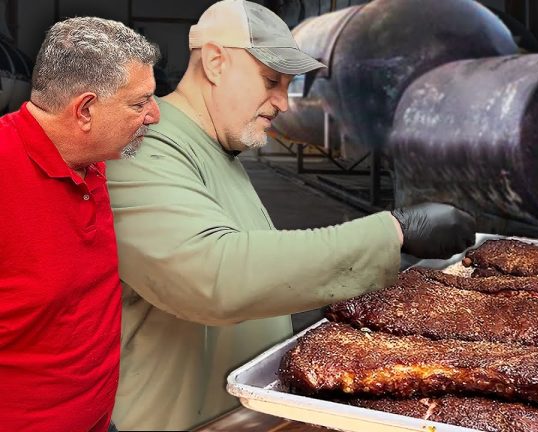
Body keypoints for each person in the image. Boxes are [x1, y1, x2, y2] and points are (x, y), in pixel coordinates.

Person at [105, 0, 476, 429]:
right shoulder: (143, 147)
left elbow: (267, 265)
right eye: (271, 81)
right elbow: (211, 275)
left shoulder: (218, 150)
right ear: (216, 62)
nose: (282, 102)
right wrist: (393, 232)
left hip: (245, 414)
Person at [0, 17, 160, 432]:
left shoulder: (89, 158)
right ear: (85, 110)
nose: (154, 116)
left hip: (98, 418)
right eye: (139, 103)